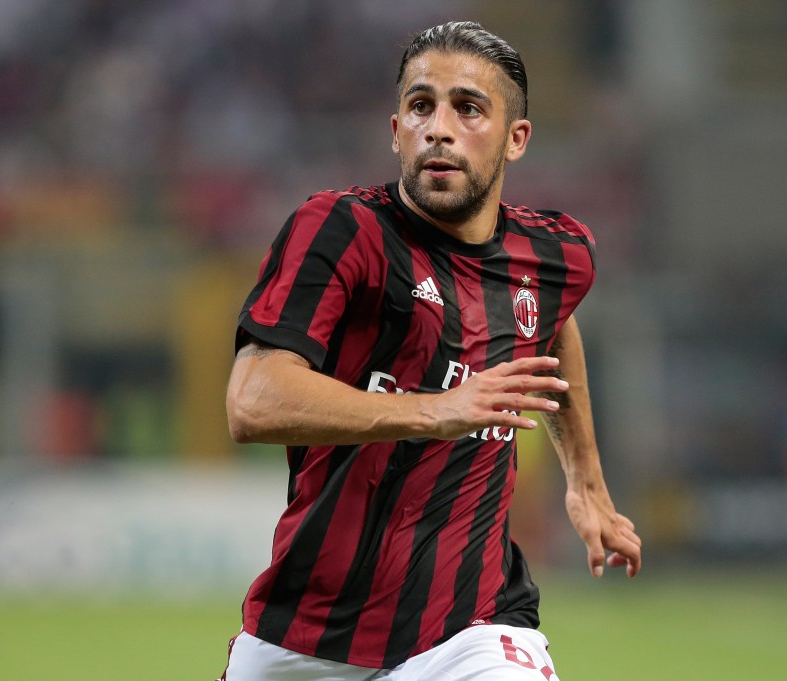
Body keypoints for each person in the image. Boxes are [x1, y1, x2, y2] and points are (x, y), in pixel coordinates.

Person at [219, 21, 642, 681]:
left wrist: (586, 483)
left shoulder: (556, 256)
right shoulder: (341, 230)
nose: (439, 128)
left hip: (470, 629)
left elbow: (555, 324)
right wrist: (436, 409)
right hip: (306, 634)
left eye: (468, 108)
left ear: (516, 139)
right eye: (421, 106)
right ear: (396, 131)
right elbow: (252, 401)